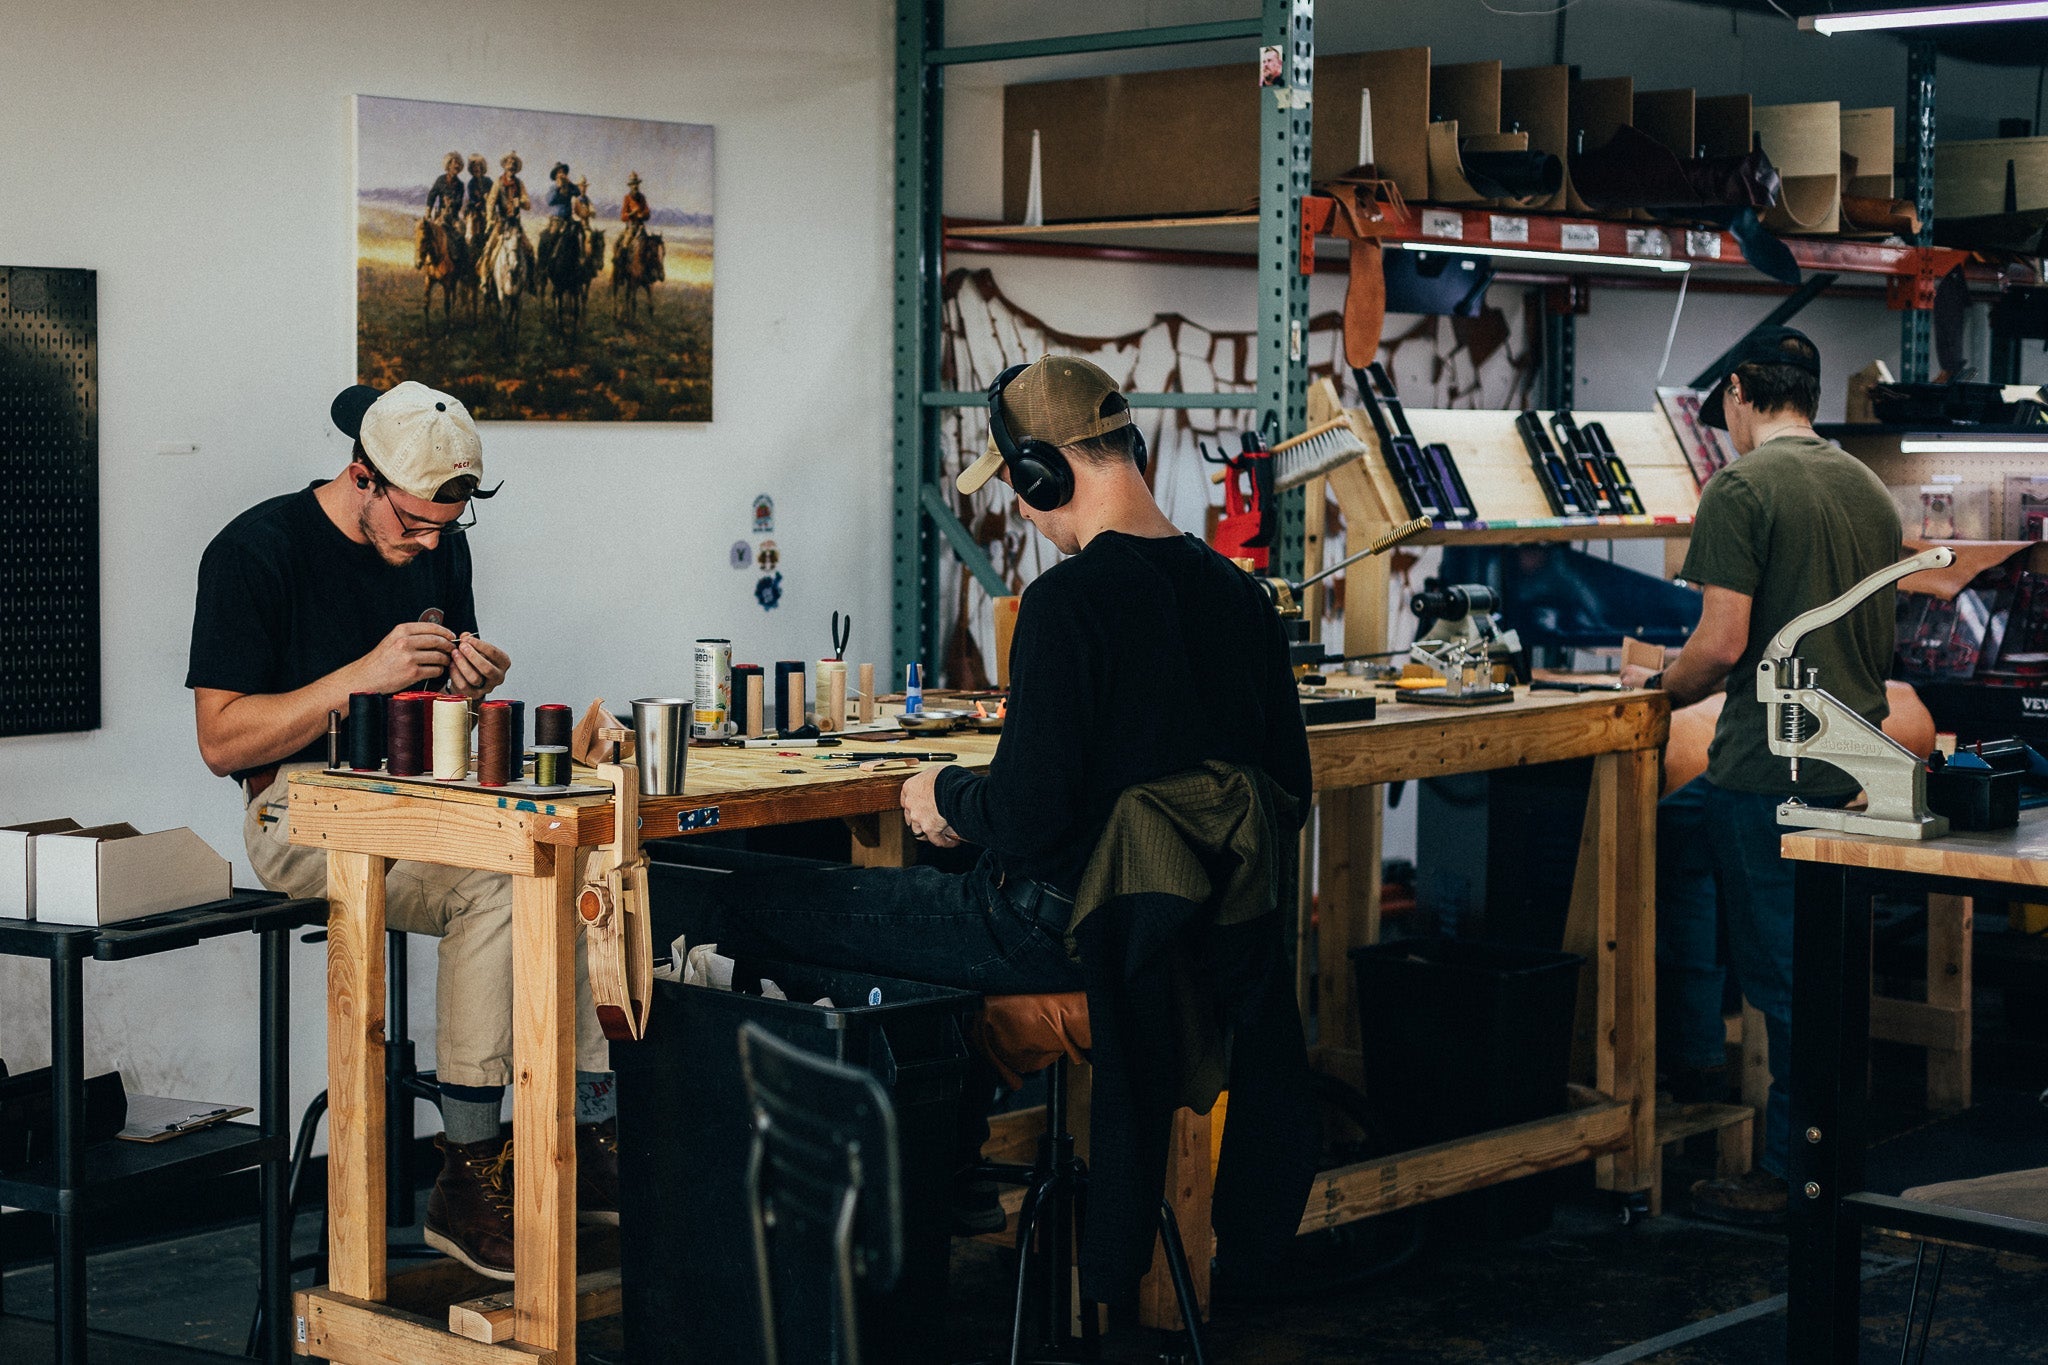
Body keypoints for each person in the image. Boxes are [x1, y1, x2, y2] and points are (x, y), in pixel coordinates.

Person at [676, 356, 1312, 1267]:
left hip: (1050, 928)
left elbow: (1027, 815)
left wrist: (944, 797)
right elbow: (1288, 789)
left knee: (745, 900)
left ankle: (900, 1183)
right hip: (1183, 939)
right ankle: (950, 1153)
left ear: (1047, 470)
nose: (1016, 502)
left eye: (1017, 480)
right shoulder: (1242, 600)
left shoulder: (1066, 603)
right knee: (862, 912)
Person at [186, 381, 617, 1281]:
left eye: (444, 531)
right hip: (296, 808)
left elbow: (423, 707)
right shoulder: (253, 551)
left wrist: (464, 684)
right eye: (414, 526)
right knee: (493, 878)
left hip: (411, 788)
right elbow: (221, 740)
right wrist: (360, 677)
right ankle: (466, 1167)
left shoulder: (437, 542)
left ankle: (588, 1132)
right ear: (361, 479)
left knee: (570, 852)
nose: (427, 546)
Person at [1619, 326, 1902, 1226]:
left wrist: (1655, 692)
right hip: (1854, 759)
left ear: (1739, 391)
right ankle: (1699, 1048)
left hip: (1769, 767)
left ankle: (1793, 1175)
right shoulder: (1867, 487)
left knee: (1788, 982)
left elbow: (1723, 644)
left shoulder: (1741, 485)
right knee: (1672, 832)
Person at [537, 161, 584, 279]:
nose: (561, 174)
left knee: (579, 235)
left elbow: (578, 192)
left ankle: (579, 262)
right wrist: (558, 187)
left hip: (568, 219)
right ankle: (545, 265)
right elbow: (550, 201)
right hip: (556, 220)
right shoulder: (553, 188)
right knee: (548, 238)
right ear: (556, 176)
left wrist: (569, 183)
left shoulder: (570, 187)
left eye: (563, 172)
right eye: (559, 172)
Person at [425, 151, 465, 225]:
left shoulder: (460, 184)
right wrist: (428, 212)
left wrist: (451, 203)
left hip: (454, 219)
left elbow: (459, 203)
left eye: (459, 164)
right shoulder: (441, 180)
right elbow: (431, 196)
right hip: (440, 216)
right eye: (455, 163)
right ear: (449, 165)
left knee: (461, 231)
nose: (457, 166)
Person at [618, 171, 650, 255]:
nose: (635, 186)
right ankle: (622, 265)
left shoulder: (642, 197)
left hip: (640, 227)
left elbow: (647, 213)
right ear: (630, 186)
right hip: (631, 227)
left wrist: (642, 215)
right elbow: (623, 216)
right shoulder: (627, 198)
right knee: (625, 245)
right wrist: (632, 213)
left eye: (636, 184)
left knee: (649, 246)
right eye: (633, 184)